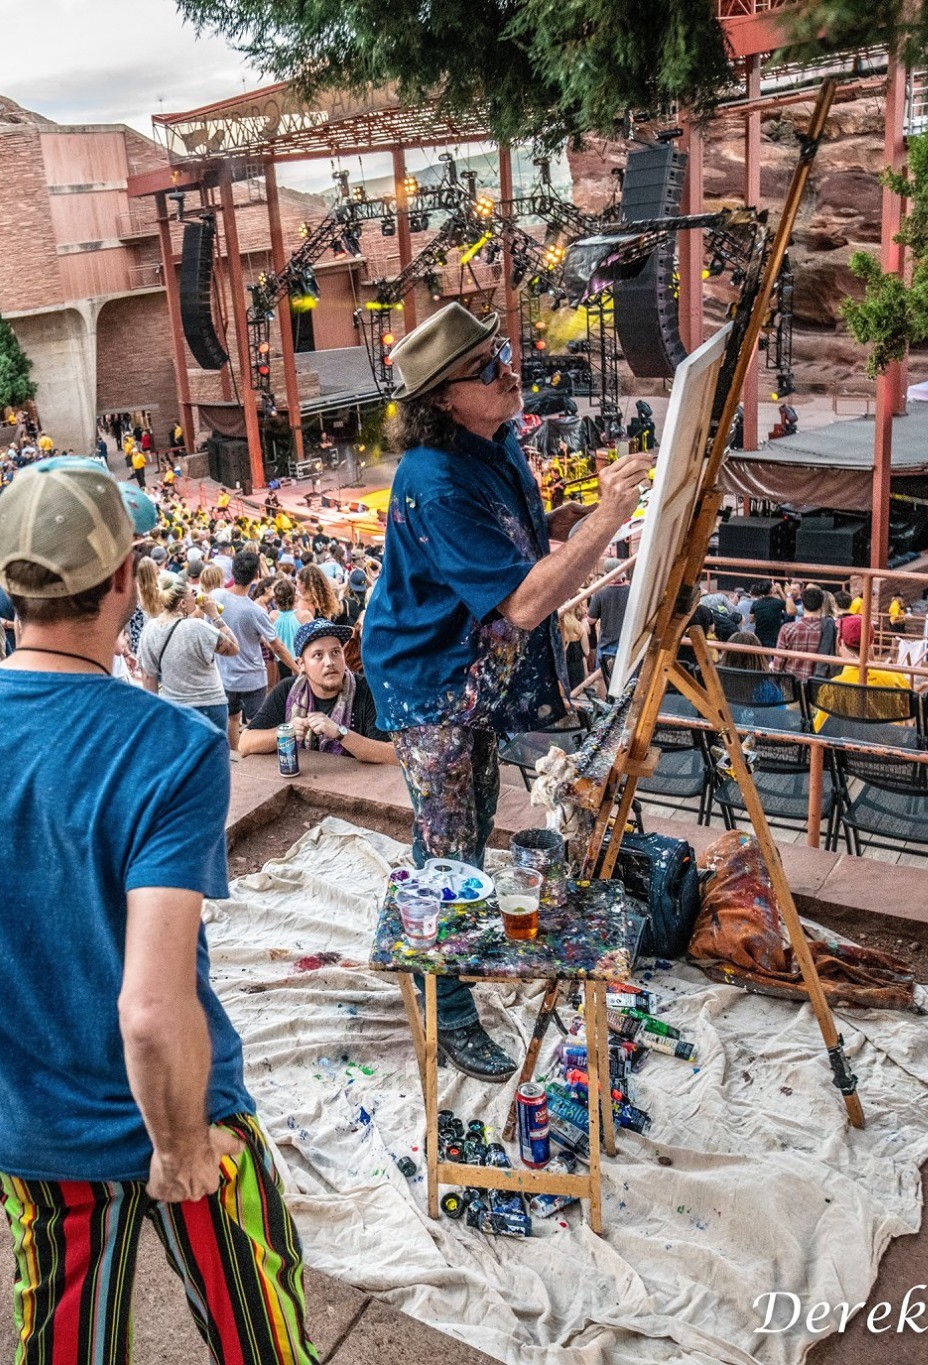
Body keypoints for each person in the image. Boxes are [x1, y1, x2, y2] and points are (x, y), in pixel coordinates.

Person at [0, 462, 318, 1365]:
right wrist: (182, 1146)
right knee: (264, 1344)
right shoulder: (172, 746)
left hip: (34, 1132)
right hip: (183, 1119)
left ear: (5, 579)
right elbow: (152, 1010)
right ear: (123, 574)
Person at [362, 302, 653, 1081]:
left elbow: (511, 533)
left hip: (472, 673)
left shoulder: (495, 435)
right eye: (487, 368)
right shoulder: (434, 480)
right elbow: (523, 603)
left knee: (471, 813)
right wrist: (605, 520)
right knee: (450, 844)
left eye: (505, 354)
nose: (508, 371)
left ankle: (448, 955)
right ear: (444, 399)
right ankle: (447, 1004)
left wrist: (562, 521)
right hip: (430, 679)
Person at [237, 619, 395, 764]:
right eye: (318, 655)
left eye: (335, 652)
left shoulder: (366, 690)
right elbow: (244, 744)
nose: (329, 662)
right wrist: (285, 732)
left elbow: (392, 755)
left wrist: (340, 733)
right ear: (302, 664)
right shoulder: (288, 690)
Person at [135, 581, 238, 735]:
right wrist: (214, 615)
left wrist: (155, 714)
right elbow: (234, 648)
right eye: (193, 594)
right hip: (209, 706)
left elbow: (149, 677)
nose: (197, 597)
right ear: (183, 603)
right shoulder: (198, 627)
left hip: (175, 708)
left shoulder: (150, 628)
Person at [213, 550, 277, 747]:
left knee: (232, 718)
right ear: (256, 575)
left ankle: (235, 753)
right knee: (256, 725)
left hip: (225, 676)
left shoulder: (215, 597)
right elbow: (276, 645)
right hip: (252, 678)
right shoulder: (256, 611)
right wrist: (296, 667)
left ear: (232, 571)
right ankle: (250, 756)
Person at [770, 586, 831, 684]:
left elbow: (778, 666)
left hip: (791, 686)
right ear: (821, 605)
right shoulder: (831, 629)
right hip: (819, 686)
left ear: (802, 605)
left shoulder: (787, 629)